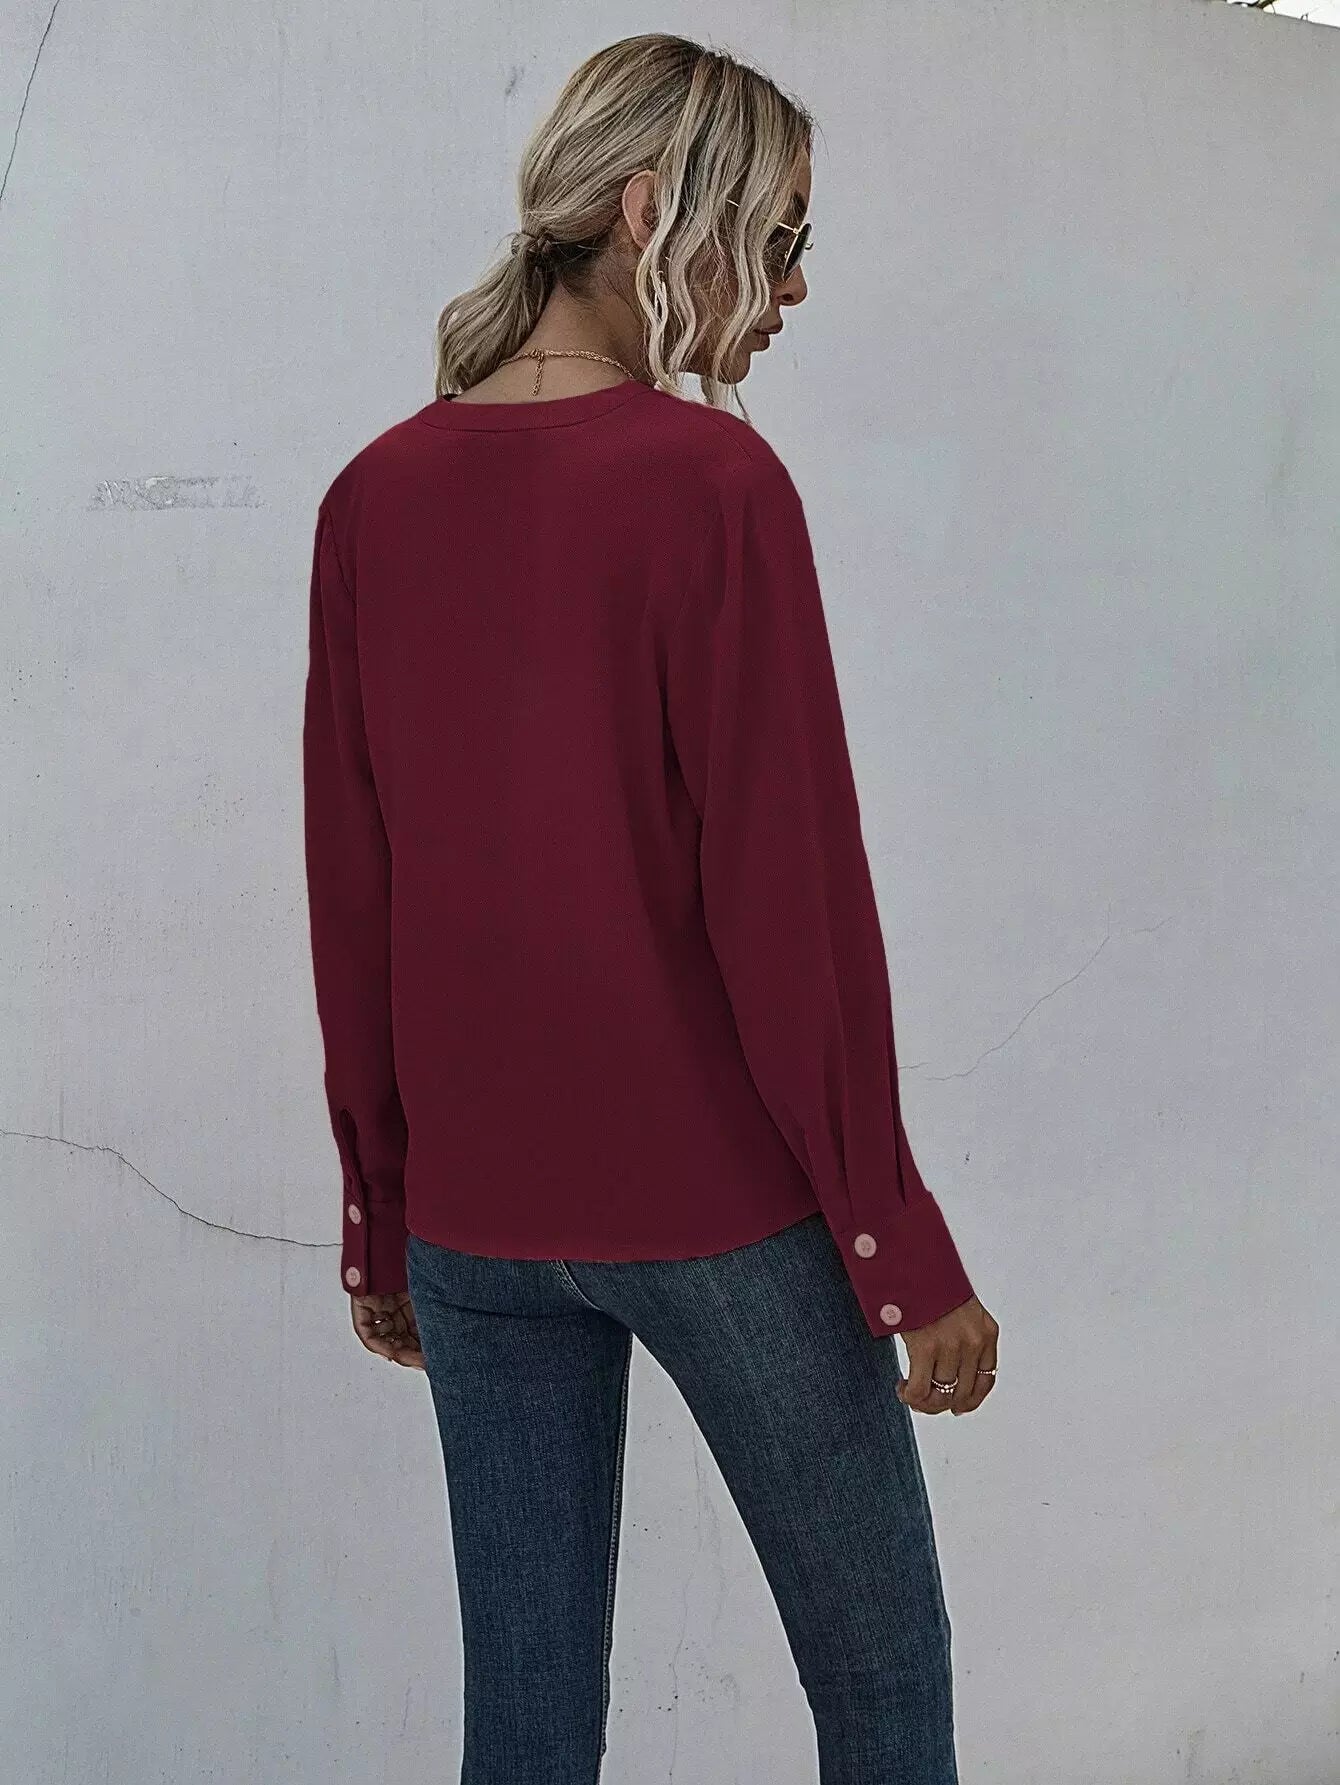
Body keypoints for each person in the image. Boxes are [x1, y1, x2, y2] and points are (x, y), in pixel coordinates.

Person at [301, 31, 998, 1785]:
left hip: (474, 1227)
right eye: (779, 236)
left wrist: (384, 1210)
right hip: (718, 1213)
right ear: (644, 210)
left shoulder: (374, 496)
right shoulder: (711, 487)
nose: (795, 286)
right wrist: (895, 1243)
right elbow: (792, 906)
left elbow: (354, 894)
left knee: (527, 1730)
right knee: (884, 1686)